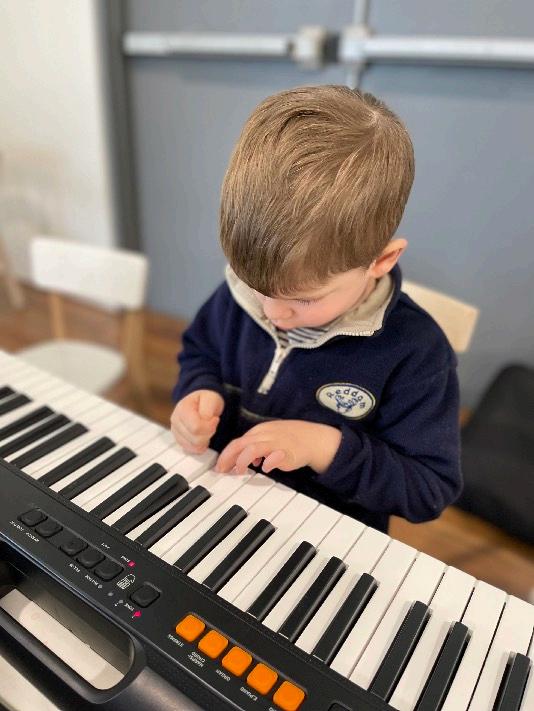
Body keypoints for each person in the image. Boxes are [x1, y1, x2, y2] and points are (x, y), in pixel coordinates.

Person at [170, 85, 461, 533]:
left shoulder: (418, 353)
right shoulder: (244, 295)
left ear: (381, 260)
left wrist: (326, 447)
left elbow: (429, 488)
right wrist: (197, 391)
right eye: (256, 288)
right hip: (222, 503)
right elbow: (200, 352)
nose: (273, 313)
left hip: (322, 539)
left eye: (303, 299)